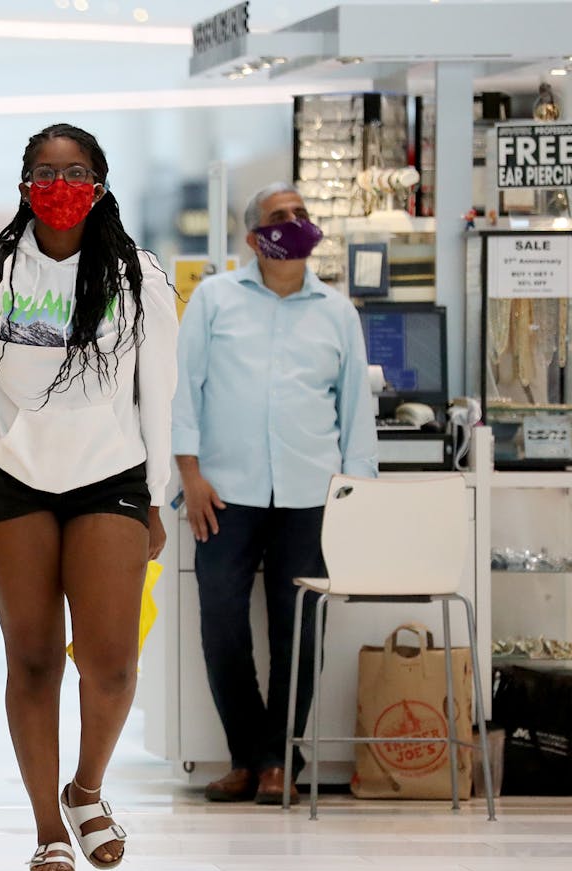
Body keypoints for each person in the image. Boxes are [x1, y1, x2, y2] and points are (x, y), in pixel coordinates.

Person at [0, 124, 178, 871]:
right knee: (32, 658)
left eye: (75, 171)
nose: (59, 184)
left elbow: (157, 396)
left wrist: (156, 497)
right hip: (10, 480)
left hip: (111, 477)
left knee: (111, 663)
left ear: (100, 182)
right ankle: (47, 829)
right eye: (45, 171)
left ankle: (87, 789)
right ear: (24, 181)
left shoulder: (140, 274)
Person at [172, 182, 377, 806]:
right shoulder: (214, 300)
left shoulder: (337, 312)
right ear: (252, 236)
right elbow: (185, 390)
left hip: (310, 494)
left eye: (301, 214)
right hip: (223, 493)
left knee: (299, 631)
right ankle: (249, 756)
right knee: (223, 627)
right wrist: (190, 476)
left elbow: (356, 411)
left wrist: (355, 497)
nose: (294, 223)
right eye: (279, 216)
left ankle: (276, 763)